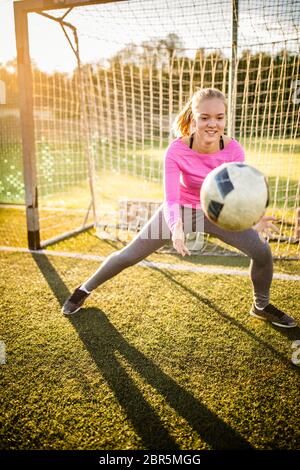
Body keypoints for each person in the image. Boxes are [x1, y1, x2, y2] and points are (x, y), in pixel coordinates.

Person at [62, 87, 297, 328]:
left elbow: (237, 193)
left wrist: (253, 218)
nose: (212, 124)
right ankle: (83, 289)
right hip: (181, 210)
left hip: (217, 214)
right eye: (204, 117)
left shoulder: (234, 150)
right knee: (129, 255)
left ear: (226, 118)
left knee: (262, 252)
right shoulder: (177, 150)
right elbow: (171, 199)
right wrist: (175, 227)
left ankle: (261, 306)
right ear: (193, 118)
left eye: (219, 117)